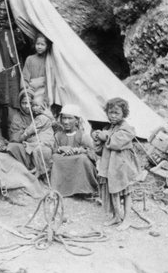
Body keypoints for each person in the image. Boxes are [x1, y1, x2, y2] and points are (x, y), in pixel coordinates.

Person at [92, 97, 139, 231]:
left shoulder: (127, 128)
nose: (112, 116)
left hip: (122, 166)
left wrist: (104, 136)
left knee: (126, 191)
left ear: (124, 114)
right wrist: (97, 138)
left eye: (116, 113)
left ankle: (127, 219)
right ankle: (117, 216)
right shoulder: (109, 127)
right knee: (113, 191)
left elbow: (116, 142)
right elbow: (101, 150)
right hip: (110, 166)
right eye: (110, 112)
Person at [0, 0, 25, 139]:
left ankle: (11, 131)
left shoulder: (14, 28)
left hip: (11, 68)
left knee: (12, 98)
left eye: (4, 10)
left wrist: (19, 34)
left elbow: (21, 47)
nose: (1, 13)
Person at [50, 104, 98, 197]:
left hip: (79, 161)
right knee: (56, 158)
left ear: (77, 120)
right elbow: (53, 150)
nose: (66, 122)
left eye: (69, 118)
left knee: (82, 159)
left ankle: (84, 189)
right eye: (64, 118)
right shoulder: (58, 135)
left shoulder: (83, 135)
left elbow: (95, 153)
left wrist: (80, 150)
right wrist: (61, 149)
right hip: (64, 160)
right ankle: (62, 189)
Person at [7, 91, 54, 181]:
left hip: (40, 143)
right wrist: (26, 134)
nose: (27, 106)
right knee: (13, 147)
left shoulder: (41, 115)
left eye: (30, 103)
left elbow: (51, 129)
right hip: (25, 144)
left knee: (44, 150)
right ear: (19, 104)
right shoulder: (17, 117)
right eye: (24, 103)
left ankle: (41, 171)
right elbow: (14, 136)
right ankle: (26, 170)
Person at [22, 33, 52, 102]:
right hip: (31, 91)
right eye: (38, 44)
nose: (39, 47)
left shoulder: (49, 60)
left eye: (42, 44)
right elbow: (25, 78)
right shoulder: (30, 59)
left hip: (45, 93)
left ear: (47, 46)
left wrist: (40, 81)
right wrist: (27, 91)